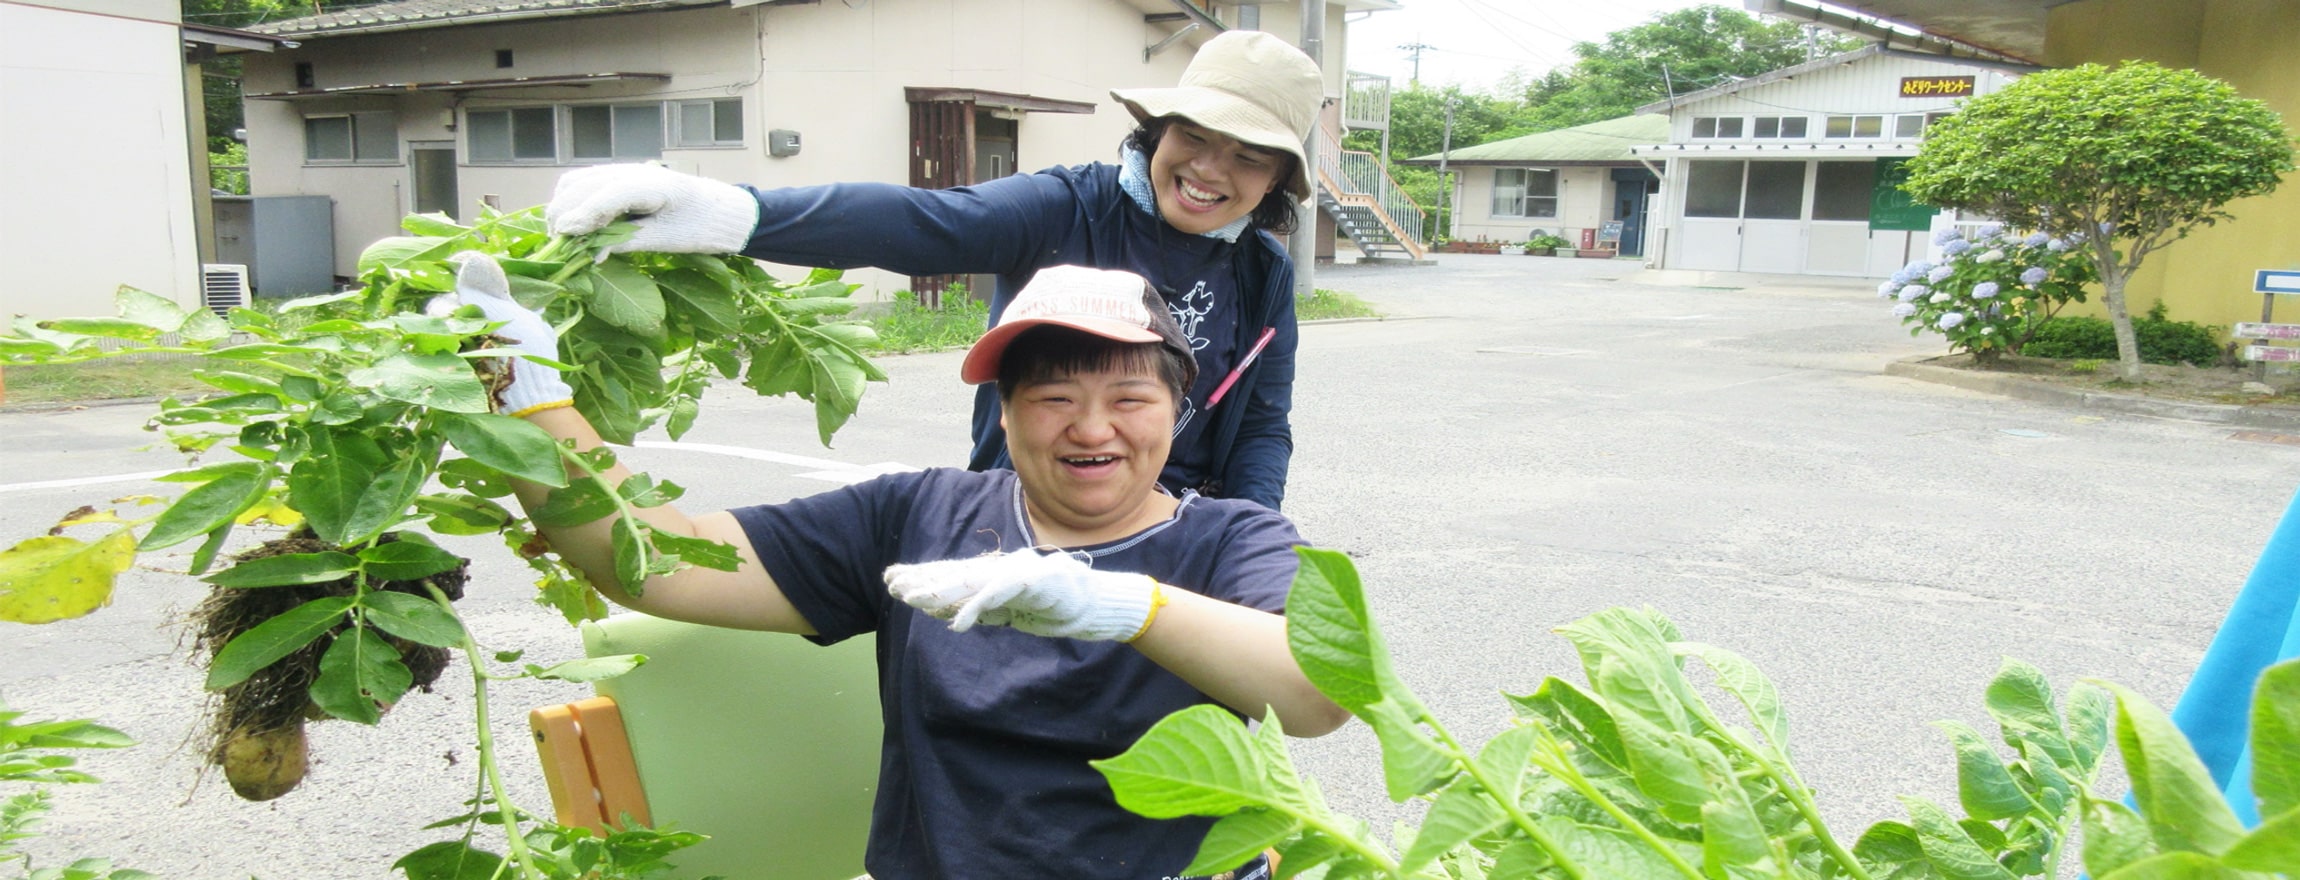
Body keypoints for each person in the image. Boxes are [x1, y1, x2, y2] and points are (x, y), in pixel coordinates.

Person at [442, 254, 1351, 878]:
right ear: (1004, 413)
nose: (1091, 427)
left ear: (1176, 410)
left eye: (1128, 396)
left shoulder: (1234, 539)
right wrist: (528, 399)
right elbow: (657, 564)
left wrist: (1122, 606)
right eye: (1054, 396)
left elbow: (1315, 695)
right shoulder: (915, 514)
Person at [541, 29, 1323, 511]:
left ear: (1275, 182)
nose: (1210, 170)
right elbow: (921, 223)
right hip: (1030, 515)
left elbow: (1259, 420)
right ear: (1158, 130)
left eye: (1249, 157)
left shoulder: (1263, 272)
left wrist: (1250, 535)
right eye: (1195, 136)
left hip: (1180, 528)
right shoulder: (1066, 209)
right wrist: (730, 214)